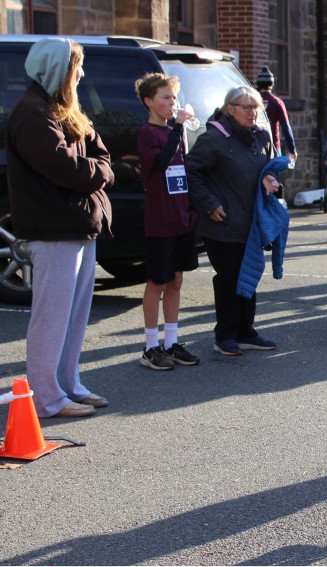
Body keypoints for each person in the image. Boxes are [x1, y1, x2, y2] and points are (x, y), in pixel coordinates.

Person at [6, 37, 113, 418]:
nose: (81, 73)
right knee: (51, 318)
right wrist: (100, 173)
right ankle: (47, 398)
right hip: (53, 230)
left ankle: (69, 385)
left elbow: (100, 153)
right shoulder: (32, 112)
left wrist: (98, 170)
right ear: (57, 69)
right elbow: (64, 167)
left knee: (73, 317)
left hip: (77, 226)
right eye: (76, 66)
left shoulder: (62, 109)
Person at [186, 86, 280, 356]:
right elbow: (191, 172)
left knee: (249, 276)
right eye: (246, 107)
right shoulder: (214, 138)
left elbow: (270, 167)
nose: (253, 112)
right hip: (223, 223)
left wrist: (271, 178)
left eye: (256, 107)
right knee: (229, 279)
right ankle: (225, 335)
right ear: (230, 109)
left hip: (252, 223)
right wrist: (209, 203)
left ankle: (246, 331)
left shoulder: (261, 136)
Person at [134, 72, 200, 371]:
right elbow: (160, 163)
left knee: (176, 280)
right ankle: (150, 346)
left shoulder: (176, 131)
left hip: (181, 217)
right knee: (157, 282)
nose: (172, 103)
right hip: (160, 219)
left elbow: (183, 170)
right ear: (149, 101)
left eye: (174, 97)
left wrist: (191, 209)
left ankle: (171, 341)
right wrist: (177, 128)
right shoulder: (148, 133)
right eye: (165, 97)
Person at [256, 67, 297, 164]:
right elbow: (286, 128)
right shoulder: (277, 102)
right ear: (271, 84)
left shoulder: (253, 101)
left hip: (255, 148)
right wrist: (292, 150)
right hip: (273, 148)